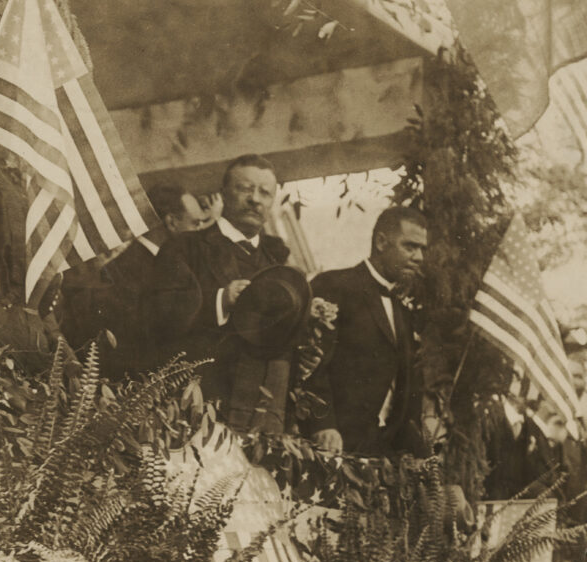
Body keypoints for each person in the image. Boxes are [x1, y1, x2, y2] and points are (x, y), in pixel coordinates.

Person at [148, 154, 291, 411]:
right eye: (245, 188)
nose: (255, 199)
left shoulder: (279, 261)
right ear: (223, 193)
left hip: (264, 408)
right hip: (199, 406)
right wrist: (220, 300)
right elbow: (158, 317)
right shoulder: (183, 247)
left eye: (265, 193)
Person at [301, 206, 429, 457]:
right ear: (381, 242)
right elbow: (309, 364)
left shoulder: (402, 311)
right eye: (410, 247)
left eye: (422, 249)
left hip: (381, 450)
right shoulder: (334, 285)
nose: (420, 257)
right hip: (330, 446)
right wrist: (322, 424)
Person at [56, 183, 207, 378]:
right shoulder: (131, 267)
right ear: (172, 222)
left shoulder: (158, 263)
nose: (201, 230)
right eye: (195, 223)